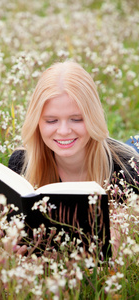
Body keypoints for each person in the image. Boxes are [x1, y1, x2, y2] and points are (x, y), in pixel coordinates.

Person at [8, 61, 139, 256]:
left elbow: (113, 255)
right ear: (37, 122)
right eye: (51, 120)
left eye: (76, 119)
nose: (63, 131)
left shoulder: (127, 170)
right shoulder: (21, 163)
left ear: (93, 117)